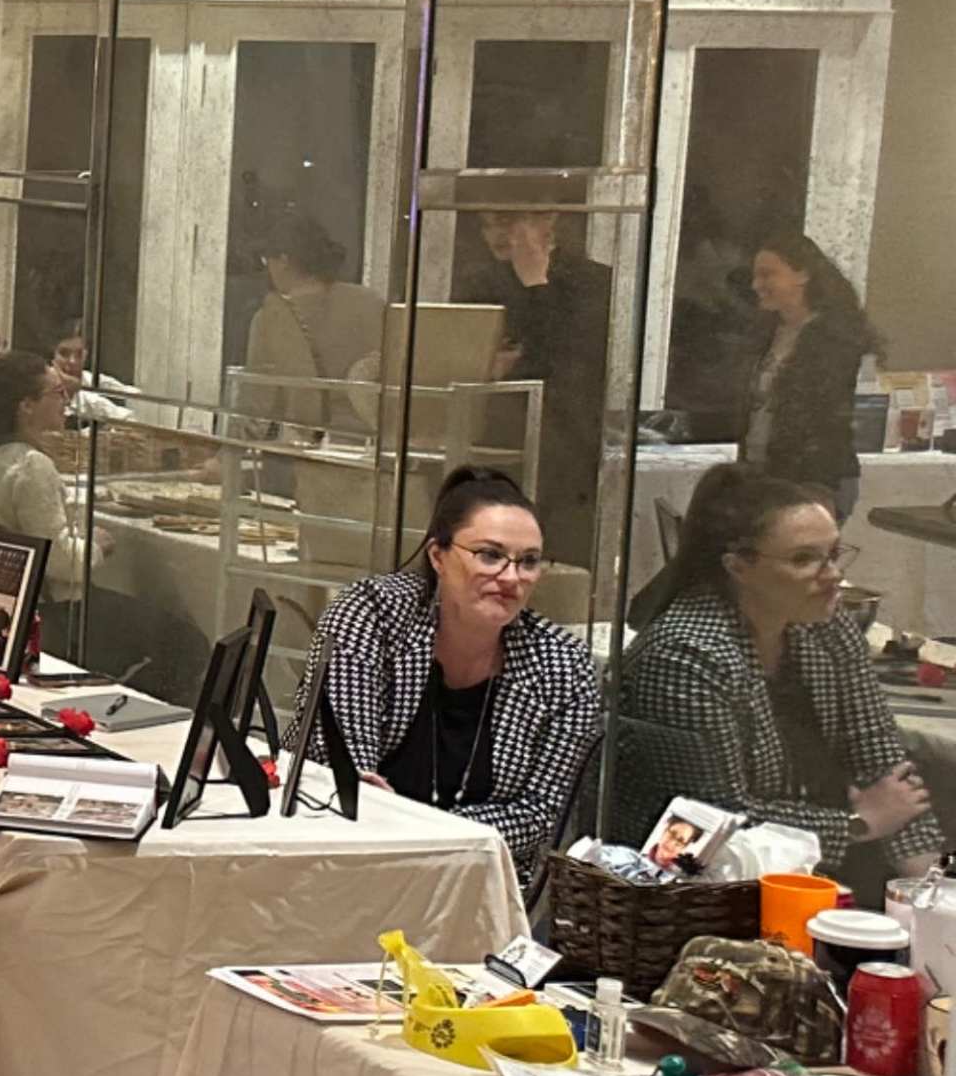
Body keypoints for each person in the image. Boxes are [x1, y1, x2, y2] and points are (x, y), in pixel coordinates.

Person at [616, 466, 938, 897]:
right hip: (699, 890)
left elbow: (883, 763)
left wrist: (926, 894)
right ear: (737, 567)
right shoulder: (685, 655)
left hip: (819, 871)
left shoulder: (826, 625)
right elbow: (712, 821)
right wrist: (856, 824)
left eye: (834, 554)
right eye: (804, 559)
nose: (832, 576)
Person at [287, 467, 602, 896]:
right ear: (438, 557)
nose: (511, 578)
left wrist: (425, 836)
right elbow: (353, 787)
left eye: (528, 561)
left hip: (468, 886)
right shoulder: (372, 615)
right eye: (490, 555)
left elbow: (540, 816)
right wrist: (414, 830)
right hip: (333, 870)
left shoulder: (564, 666)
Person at [459, 208, 615, 530]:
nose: (496, 235)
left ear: (548, 219)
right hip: (500, 436)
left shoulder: (592, 282)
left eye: (505, 220)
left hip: (567, 442)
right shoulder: (481, 281)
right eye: (487, 225)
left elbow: (565, 360)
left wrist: (536, 284)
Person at [740, 229, 875, 519]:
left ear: (802, 275)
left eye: (767, 275)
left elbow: (829, 420)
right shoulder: (770, 333)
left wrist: (819, 489)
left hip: (813, 479)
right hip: (767, 474)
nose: (756, 285)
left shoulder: (833, 338)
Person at [0, 350, 87, 601]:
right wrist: (96, 546)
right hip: (32, 607)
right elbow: (58, 561)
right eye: (58, 393)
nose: (66, 402)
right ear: (27, 405)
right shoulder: (30, 466)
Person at [244, 213, 384, 431]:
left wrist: (224, 459)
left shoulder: (269, 319)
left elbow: (258, 407)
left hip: (307, 452)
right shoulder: (370, 302)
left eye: (266, 260)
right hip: (371, 450)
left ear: (283, 261)